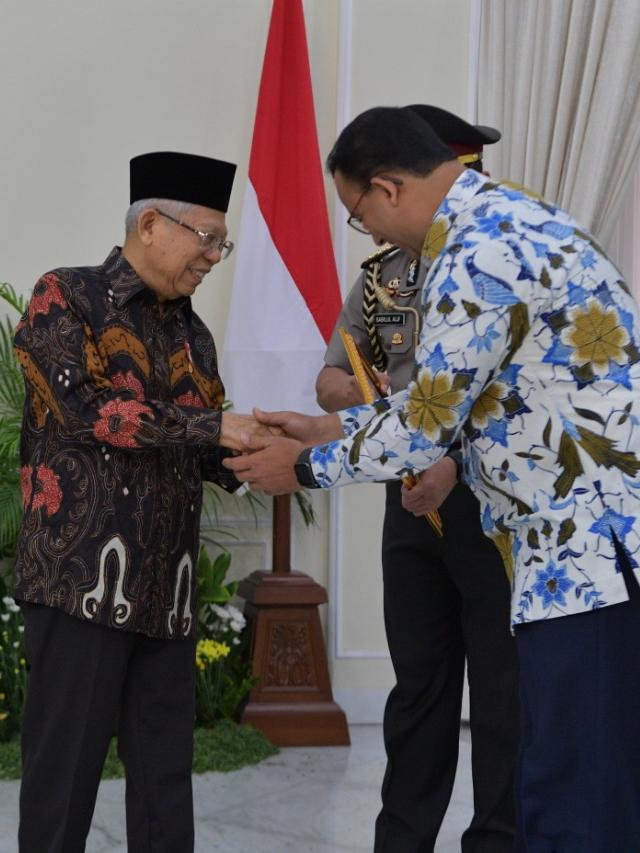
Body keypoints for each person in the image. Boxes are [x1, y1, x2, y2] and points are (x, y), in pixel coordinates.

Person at [224, 107, 640, 852]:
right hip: (576, 549)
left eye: (360, 215)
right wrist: (328, 427)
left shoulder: (475, 252)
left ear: (388, 187)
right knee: (581, 780)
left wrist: (307, 464)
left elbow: (424, 424)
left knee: (574, 799)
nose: (373, 236)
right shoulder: (512, 218)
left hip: (586, 556)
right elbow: (467, 409)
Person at [13, 151, 269, 853]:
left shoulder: (194, 334)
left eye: (223, 241)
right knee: (62, 783)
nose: (215, 255)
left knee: (164, 787)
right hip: (79, 589)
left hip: (168, 591)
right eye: (207, 236)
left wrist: (270, 455)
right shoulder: (63, 296)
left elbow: (205, 448)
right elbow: (84, 411)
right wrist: (212, 426)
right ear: (151, 223)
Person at [317, 105, 518, 852]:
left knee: (504, 691)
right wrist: (359, 397)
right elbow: (334, 375)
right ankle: (402, 839)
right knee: (420, 689)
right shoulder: (384, 280)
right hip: (409, 499)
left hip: (491, 503)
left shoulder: (499, 255)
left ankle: (498, 839)